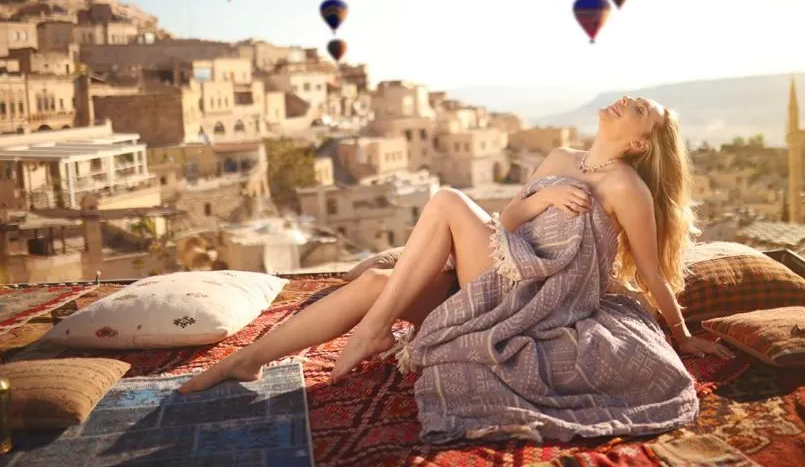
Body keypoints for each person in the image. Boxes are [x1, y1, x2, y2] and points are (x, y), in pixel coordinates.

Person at [178, 96, 732, 399]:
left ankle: (374, 331)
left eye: (641, 110)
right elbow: (510, 216)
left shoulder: (627, 188)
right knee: (375, 285)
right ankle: (247, 361)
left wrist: (681, 337)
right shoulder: (561, 158)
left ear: (638, 143)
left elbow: (654, 272)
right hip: (496, 270)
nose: (627, 100)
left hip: (533, 296)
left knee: (445, 199)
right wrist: (546, 199)